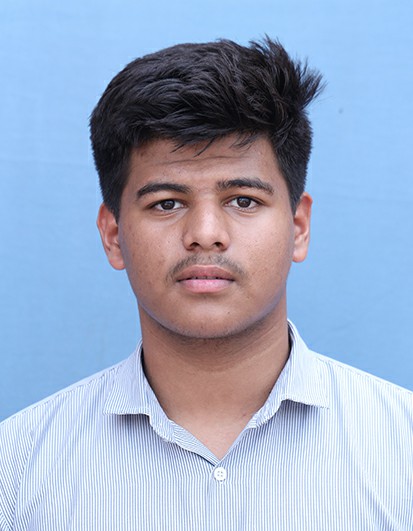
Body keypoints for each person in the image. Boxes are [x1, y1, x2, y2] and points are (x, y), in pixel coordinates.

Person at [0, 37, 412, 531]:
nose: (205, 234)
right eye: (166, 203)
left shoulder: (402, 451)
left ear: (298, 227)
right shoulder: (17, 470)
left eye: (243, 200)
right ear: (113, 235)